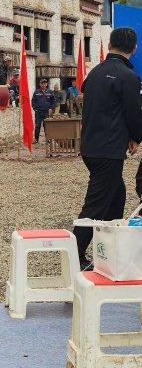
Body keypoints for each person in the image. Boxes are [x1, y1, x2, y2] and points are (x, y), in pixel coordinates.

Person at [74, 26, 142, 270]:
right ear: (134, 48)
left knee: (116, 195)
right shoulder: (129, 77)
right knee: (97, 204)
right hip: (108, 149)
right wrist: (136, 137)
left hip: (91, 146)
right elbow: (134, 112)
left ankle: (111, 249)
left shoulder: (94, 73)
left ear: (110, 44)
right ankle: (75, 253)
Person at [31, 78, 55, 142]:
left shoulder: (50, 92)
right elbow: (33, 101)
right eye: (42, 83)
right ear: (40, 84)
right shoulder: (36, 92)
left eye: (45, 83)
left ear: (46, 84)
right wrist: (35, 109)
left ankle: (48, 139)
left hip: (46, 111)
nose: (43, 85)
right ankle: (36, 139)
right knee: (37, 125)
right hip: (38, 111)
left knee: (46, 126)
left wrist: (51, 108)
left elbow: (53, 101)